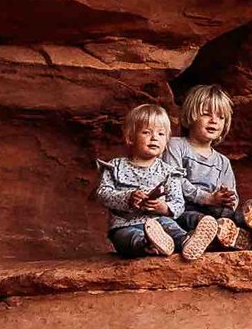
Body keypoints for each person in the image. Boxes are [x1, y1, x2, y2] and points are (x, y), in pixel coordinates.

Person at [94, 96, 219, 260]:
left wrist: (163, 207)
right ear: (130, 137)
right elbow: (103, 194)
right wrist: (128, 197)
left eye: (161, 134)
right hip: (125, 224)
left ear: (166, 141)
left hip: (159, 221)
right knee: (128, 237)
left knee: (173, 229)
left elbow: (178, 203)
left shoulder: (169, 172)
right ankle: (148, 245)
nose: (154, 138)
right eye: (146, 132)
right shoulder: (115, 167)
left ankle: (188, 241)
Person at [168, 82, 252, 247]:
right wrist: (207, 198)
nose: (214, 121)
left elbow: (232, 195)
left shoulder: (222, 162)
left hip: (214, 210)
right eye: (206, 114)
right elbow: (174, 182)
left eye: (221, 117)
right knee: (199, 220)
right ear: (190, 115)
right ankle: (228, 235)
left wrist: (227, 198)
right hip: (183, 208)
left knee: (231, 215)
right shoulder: (176, 146)